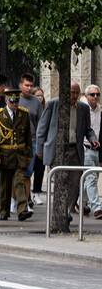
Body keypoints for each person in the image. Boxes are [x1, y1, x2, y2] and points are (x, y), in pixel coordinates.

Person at [35, 81, 93, 228]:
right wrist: (40, 150)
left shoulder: (83, 108)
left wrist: (93, 139)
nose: (73, 96)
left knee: (74, 185)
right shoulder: (53, 104)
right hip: (57, 150)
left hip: (75, 150)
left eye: (76, 93)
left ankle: (66, 212)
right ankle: (58, 214)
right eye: (71, 92)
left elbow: (88, 130)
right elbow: (42, 128)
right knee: (60, 182)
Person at [0, 87, 35, 221]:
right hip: (5, 155)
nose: (14, 105)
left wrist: (28, 154)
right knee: (5, 185)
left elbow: (28, 135)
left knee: (19, 181)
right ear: (6, 101)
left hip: (20, 155)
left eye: (16, 102)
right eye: (12, 102)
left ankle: (22, 210)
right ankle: (3, 211)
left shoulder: (24, 114)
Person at [81, 84, 102, 218]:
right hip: (85, 148)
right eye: (92, 94)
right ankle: (97, 207)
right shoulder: (82, 110)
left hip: (98, 150)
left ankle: (79, 203)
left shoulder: (101, 111)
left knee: (88, 179)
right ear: (86, 95)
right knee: (91, 178)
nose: (95, 97)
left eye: (97, 94)